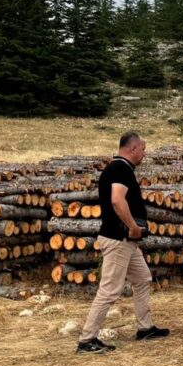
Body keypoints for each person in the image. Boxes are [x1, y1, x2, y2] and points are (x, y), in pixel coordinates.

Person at [76, 131, 168, 354]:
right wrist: (133, 227)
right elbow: (117, 199)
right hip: (119, 239)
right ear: (133, 149)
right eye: (143, 149)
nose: (145, 154)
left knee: (142, 278)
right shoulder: (119, 169)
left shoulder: (121, 168)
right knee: (109, 291)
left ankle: (145, 328)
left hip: (126, 241)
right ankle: (87, 340)